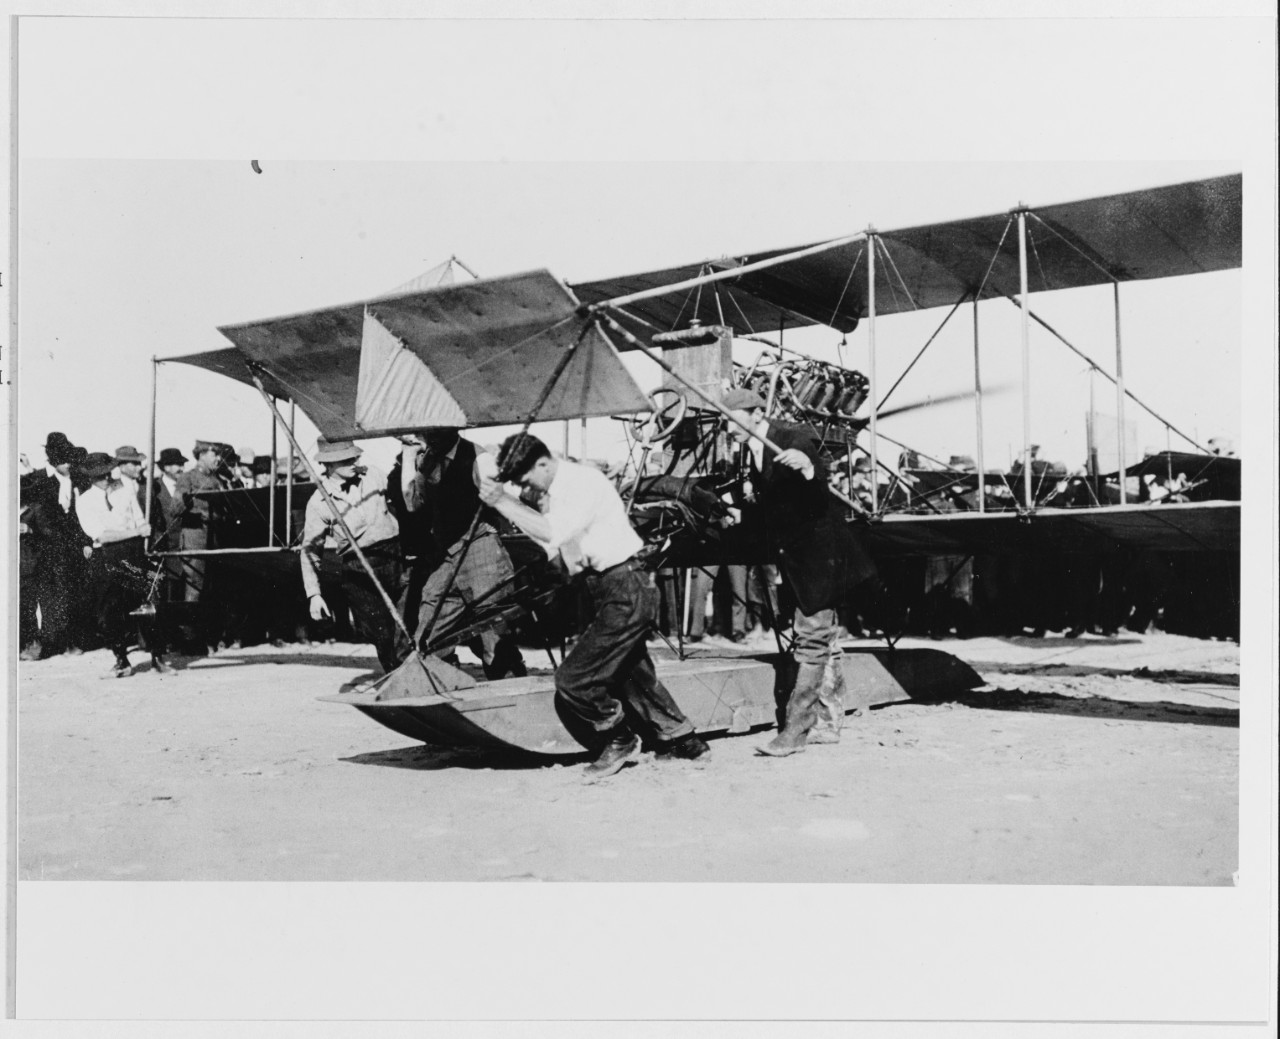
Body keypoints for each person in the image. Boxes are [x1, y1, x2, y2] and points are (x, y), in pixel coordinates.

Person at [479, 432, 708, 779]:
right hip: (609, 586)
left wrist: (502, 503)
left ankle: (619, 738)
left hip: (625, 587)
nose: (531, 488)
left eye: (528, 479)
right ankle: (684, 741)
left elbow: (551, 532)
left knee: (575, 679)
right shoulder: (560, 487)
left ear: (543, 463)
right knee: (632, 674)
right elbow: (567, 551)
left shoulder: (580, 483)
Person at [720, 387, 892, 756]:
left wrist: (807, 465)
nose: (727, 429)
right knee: (822, 641)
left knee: (811, 640)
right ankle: (828, 723)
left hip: (820, 559)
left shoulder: (789, 437)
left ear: (754, 413)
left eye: (731, 421)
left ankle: (795, 731)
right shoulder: (748, 450)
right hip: (796, 559)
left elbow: (811, 467)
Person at [390, 429, 525, 679]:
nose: (429, 440)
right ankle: (443, 689)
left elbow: (502, 501)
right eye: (426, 434)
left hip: (481, 549)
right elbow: (412, 503)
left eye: (435, 433)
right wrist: (408, 458)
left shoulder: (478, 457)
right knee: (429, 631)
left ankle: (511, 695)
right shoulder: (428, 460)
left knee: (493, 638)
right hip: (447, 555)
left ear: (452, 429)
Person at [299, 438, 403, 671]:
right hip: (358, 568)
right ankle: (397, 676)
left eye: (352, 456)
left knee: (409, 622)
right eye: (343, 459)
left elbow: (405, 497)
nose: (352, 461)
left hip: (394, 557)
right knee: (381, 631)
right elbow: (310, 551)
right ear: (327, 464)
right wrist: (314, 594)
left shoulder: (374, 475)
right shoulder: (318, 502)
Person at [73, 452, 171, 677]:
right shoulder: (85, 501)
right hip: (107, 556)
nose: (106, 478)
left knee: (147, 606)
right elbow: (101, 535)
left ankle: (158, 657)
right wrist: (135, 531)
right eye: (100, 476)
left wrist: (143, 531)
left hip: (134, 553)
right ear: (91, 477)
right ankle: (121, 660)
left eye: (107, 473)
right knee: (110, 611)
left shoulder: (125, 492)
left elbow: (139, 520)